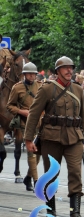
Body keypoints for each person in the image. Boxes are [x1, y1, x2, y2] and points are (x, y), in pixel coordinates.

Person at [24, 56, 84, 217]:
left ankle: (75, 213)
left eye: (71, 68)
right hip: (51, 138)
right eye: (65, 68)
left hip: (74, 138)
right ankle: (51, 211)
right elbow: (34, 113)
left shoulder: (78, 90)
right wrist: (28, 138)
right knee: (51, 175)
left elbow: (82, 116)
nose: (69, 71)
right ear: (58, 70)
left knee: (75, 173)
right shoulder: (47, 89)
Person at [6, 62, 41, 191]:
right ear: (25, 75)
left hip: (38, 122)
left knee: (37, 154)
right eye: (30, 74)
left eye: (34, 74)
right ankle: (37, 181)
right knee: (31, 152)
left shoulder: (40, 86)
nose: (32, 76)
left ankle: (28, 177)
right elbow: (9, 106)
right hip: (24, 122)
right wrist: (22, 111)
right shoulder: (17, 88)